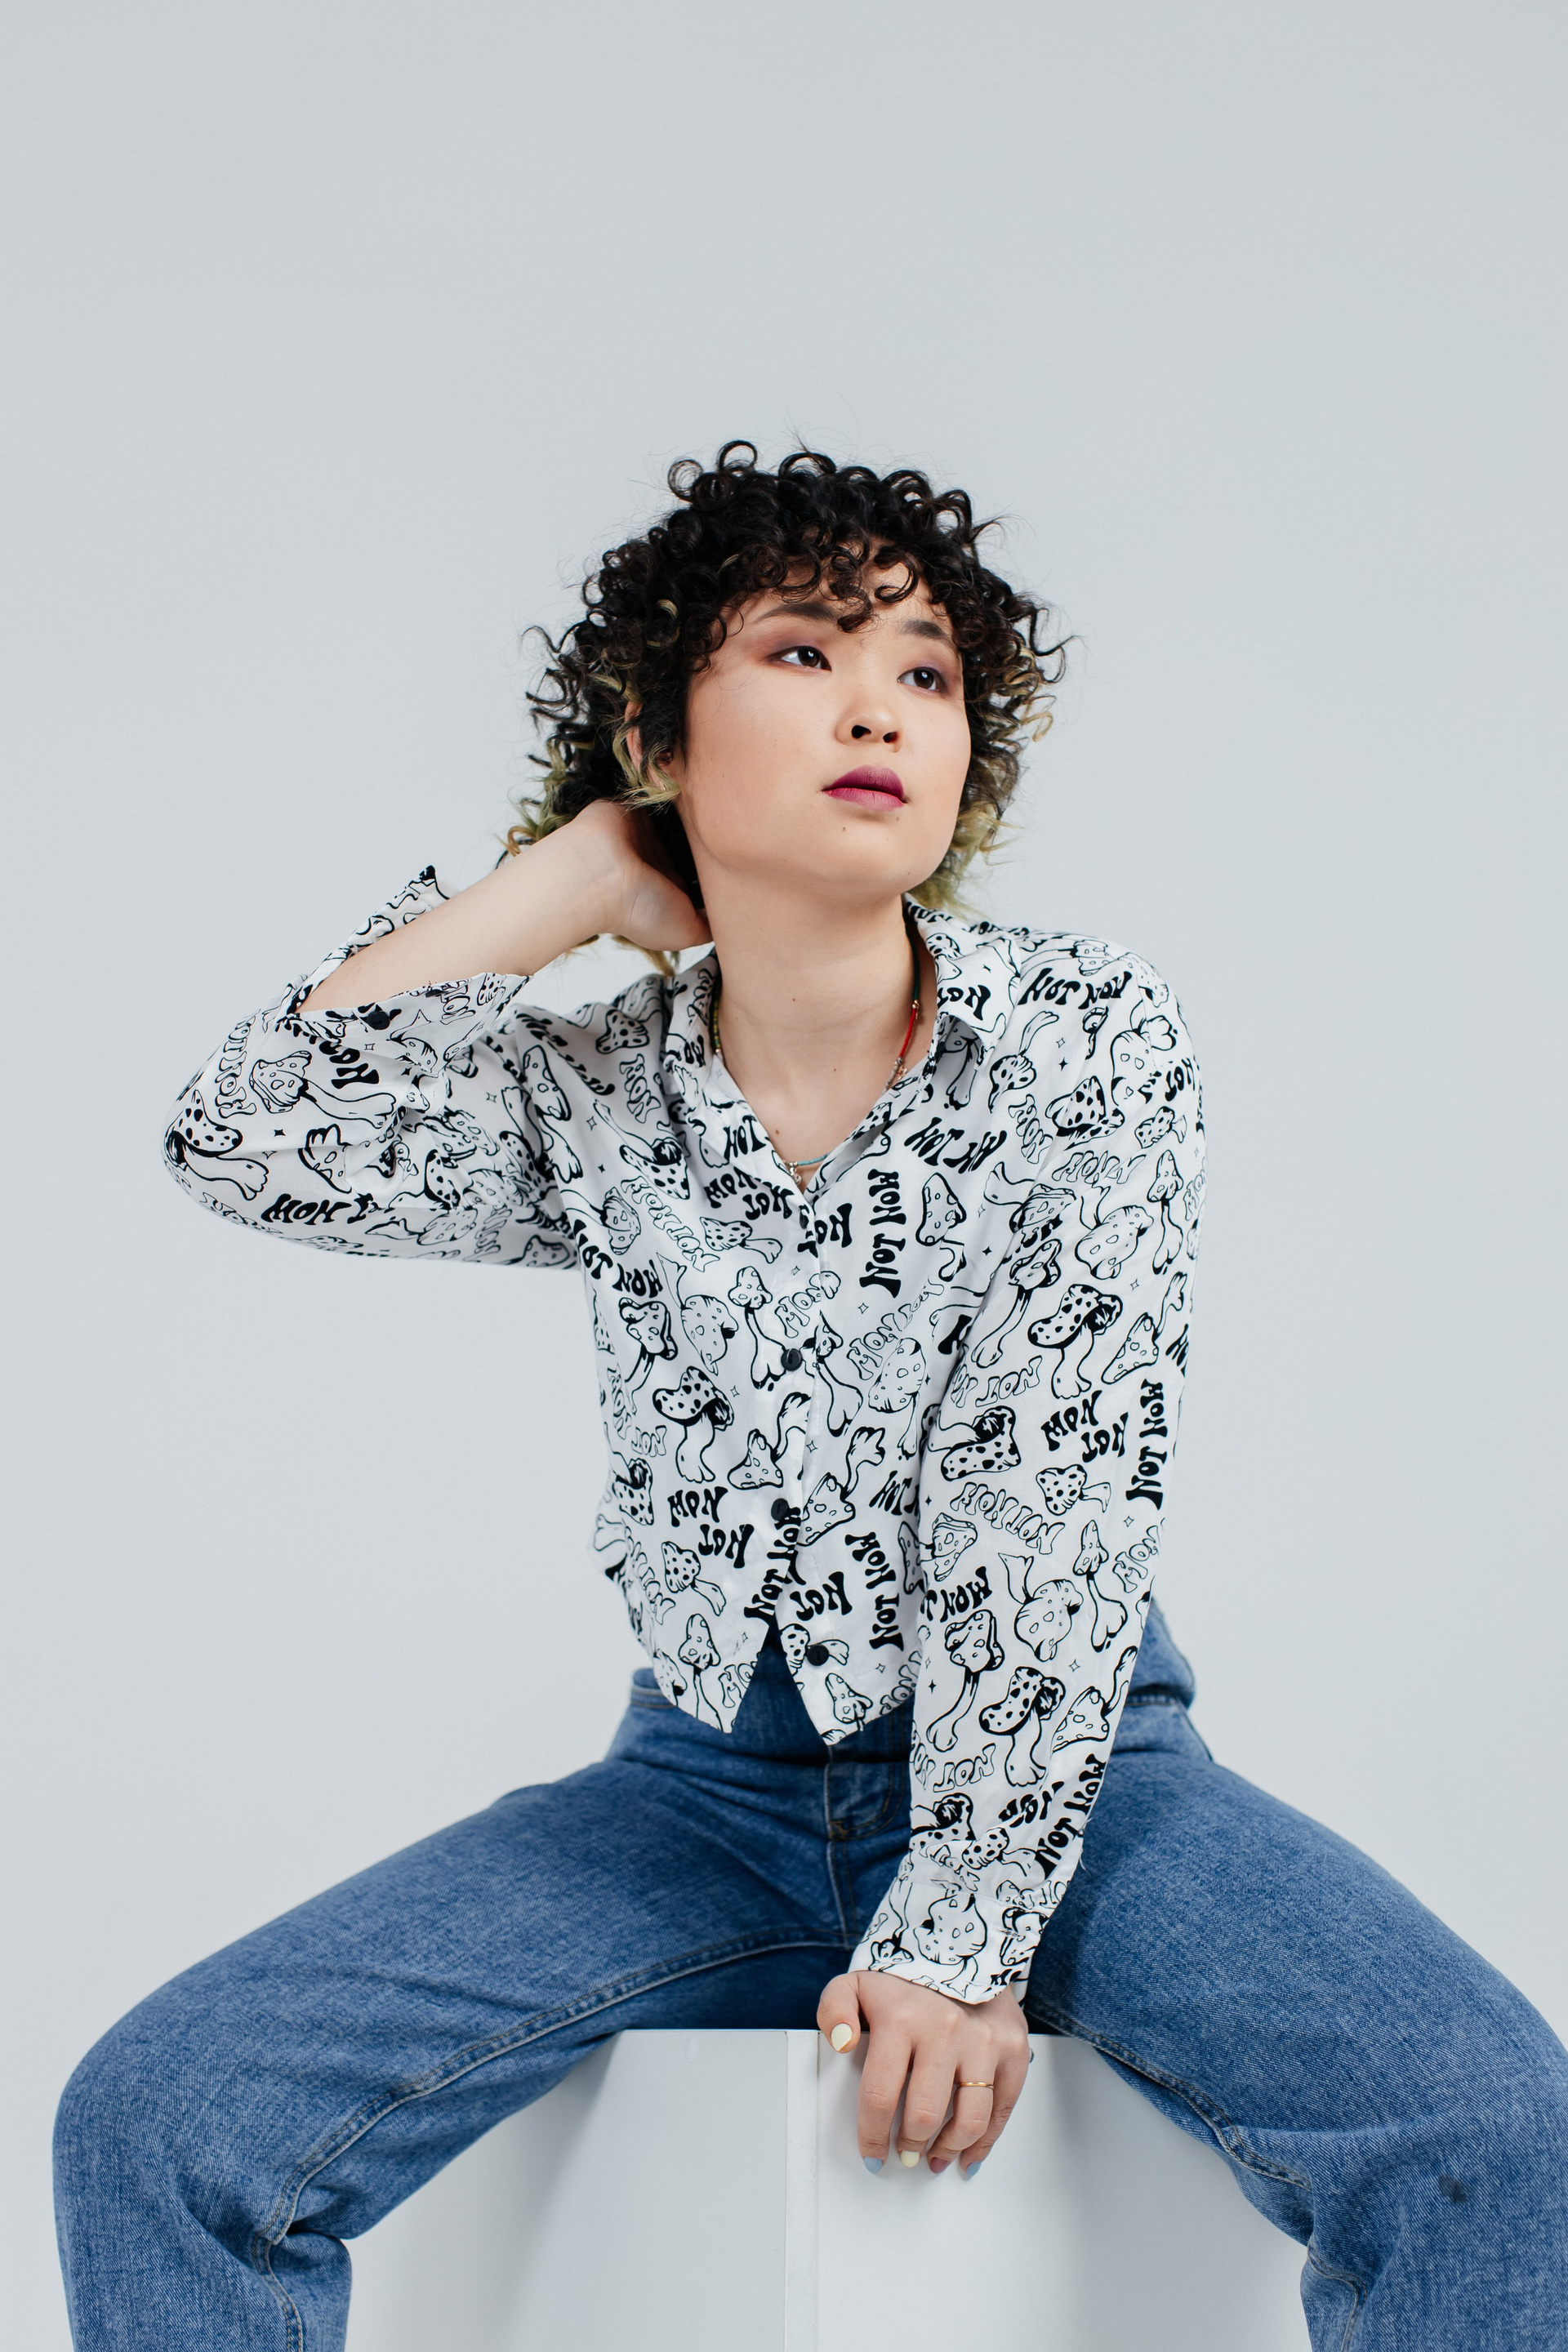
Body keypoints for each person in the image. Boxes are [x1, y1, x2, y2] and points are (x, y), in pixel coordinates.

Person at [56, 445, 1567, 2350]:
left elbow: (1049, 1498)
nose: (879, 707)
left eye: (926, 673)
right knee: (164, 2124)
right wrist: (571, 875)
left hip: (1075, 1783)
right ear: (657, 734)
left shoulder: (1084, 1040)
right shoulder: (595, 1093)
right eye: (800, 652)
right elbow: (246, 1134)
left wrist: (963, 1928)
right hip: (701, 1793)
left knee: (1489, 2130)